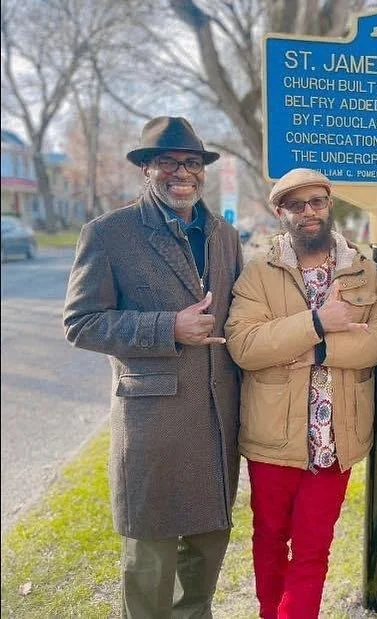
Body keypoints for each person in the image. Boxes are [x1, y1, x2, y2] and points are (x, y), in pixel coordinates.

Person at [63, 116, 243, 617]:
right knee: (150, 570)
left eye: (192, 163)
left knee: (205, 562)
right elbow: (80, 323)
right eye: (167, 162)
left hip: (218, 423)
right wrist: (168, 327)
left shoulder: (225, 235)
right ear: (146, 168)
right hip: (152, 429)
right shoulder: (108, 234)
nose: (181, 173)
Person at [223, 168, 377, 618]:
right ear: (280, 213)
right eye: (296, 205)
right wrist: (317, 323)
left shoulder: (364, 271)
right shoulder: (258, 273)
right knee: (269, 539)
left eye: (317, 202)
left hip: (336, 440)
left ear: (329, 205)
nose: (309, 212)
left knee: (313, 548)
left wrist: (319, 350)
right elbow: (245, 345)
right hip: (273, 438)